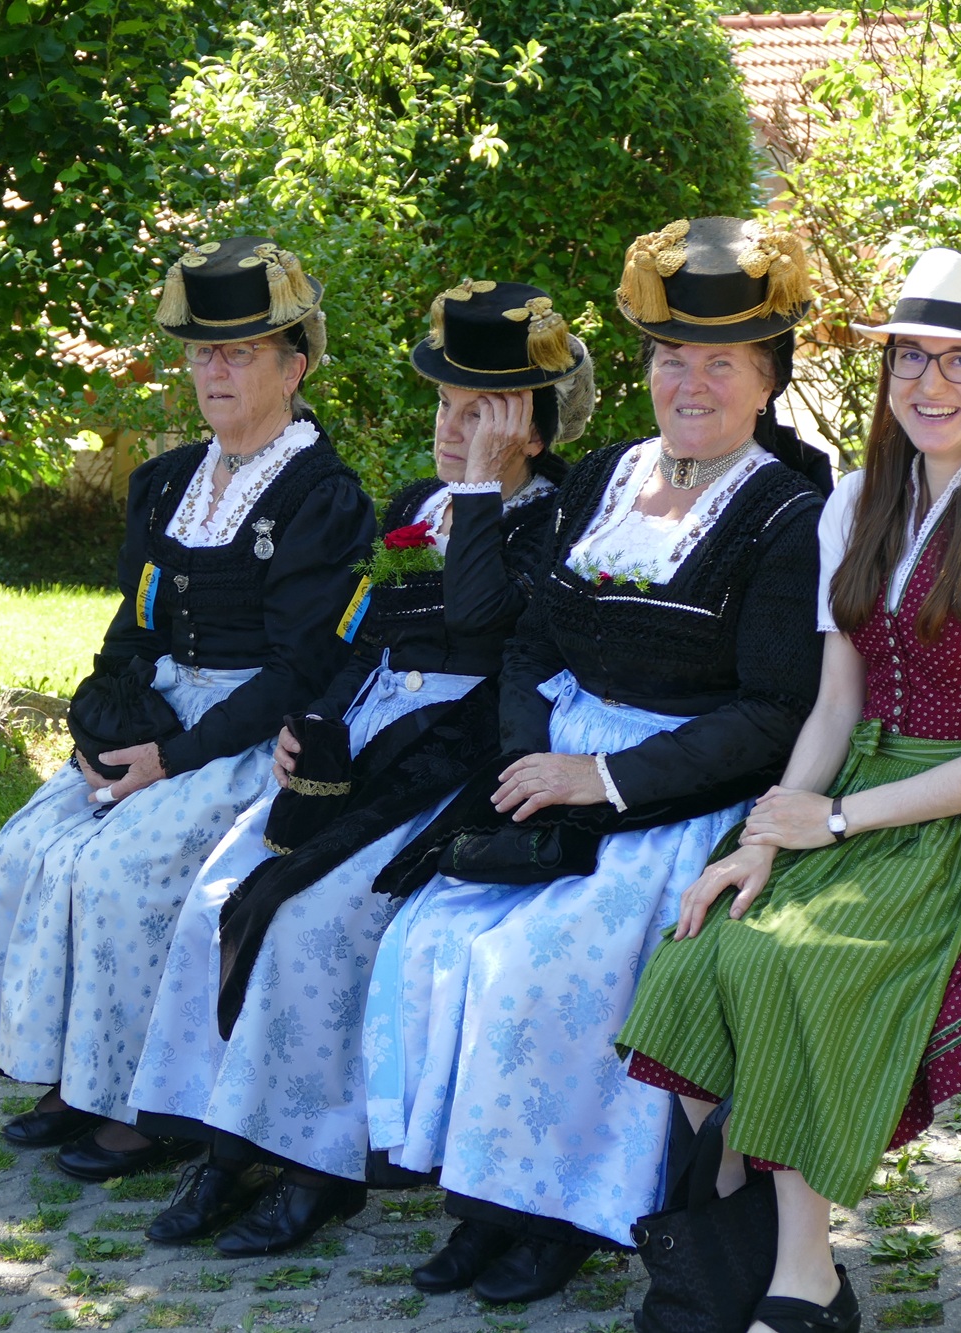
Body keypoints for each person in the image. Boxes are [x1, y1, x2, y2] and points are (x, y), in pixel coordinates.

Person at [615, 249, 961, 1333]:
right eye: (910, 358)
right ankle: (730, 1247)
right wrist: (764, 836)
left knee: (800, 962)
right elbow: (836, 706)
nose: (930, 383)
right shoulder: (856, 502)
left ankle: (809, 1279)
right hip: (857, 800)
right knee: (699, 948)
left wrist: (833, 818)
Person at [359, 217, 829, 1302]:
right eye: (671, 358)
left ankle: (560, 1211)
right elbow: (528, 641)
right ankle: (481, 1196)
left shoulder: (786, 515)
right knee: (432, 935)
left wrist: (606, 780)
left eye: (720, 363)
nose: (689, 383)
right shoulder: (608, 474)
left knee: (537, 965)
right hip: (554, 777)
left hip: (675, 799)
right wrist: (535, 760)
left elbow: (772, 714)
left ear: (766, 381)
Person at [126, 280, 596, 1257]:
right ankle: (221, 1139)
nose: (448, 428)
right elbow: (361, 632)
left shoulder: (559, 524)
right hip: (366, 735)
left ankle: (318, 1163)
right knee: (220, 894)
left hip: (451, 757)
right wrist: (314, 721)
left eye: (477, 414)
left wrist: (482, 487)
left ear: (529, 428)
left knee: (320, 921)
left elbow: (478, 620)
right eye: (443, 405)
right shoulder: (416, 506)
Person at [0, 235, 375, 1183]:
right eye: (202, 353)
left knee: (121, 871)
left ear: (294, 367)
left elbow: (297, 669)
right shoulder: (170, 481)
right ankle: (77, 1073)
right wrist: (101, 727)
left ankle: (146, 1105)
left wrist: (173, 758)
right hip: (158, 716)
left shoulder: (321, 497)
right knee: (29, 845)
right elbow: (132, 624)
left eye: (240, 353)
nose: (214, 371)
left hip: (242, 737)